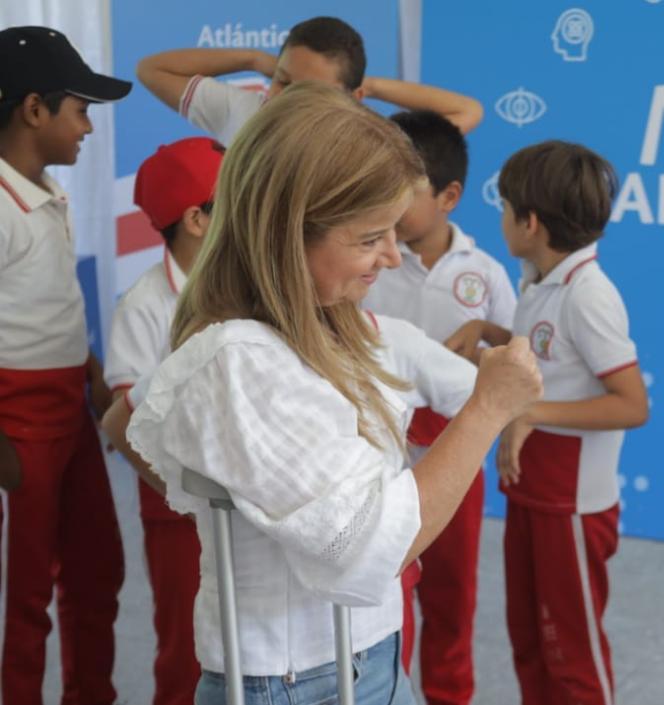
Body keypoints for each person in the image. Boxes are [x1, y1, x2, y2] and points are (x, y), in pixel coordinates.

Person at [121, 81, 540, 704]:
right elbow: (371, 548)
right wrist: (488, 410)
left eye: (393, 233)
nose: (392, 258)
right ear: (288, 234)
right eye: (371, 238)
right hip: (298, 679)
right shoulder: (239, 360)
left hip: (362, 654)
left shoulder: (333, 323)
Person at [361, 109, 515, 705]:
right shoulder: (366, 263)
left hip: (457, 459)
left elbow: (515, 354)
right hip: (380, 461)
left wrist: (492, 337)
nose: (392, 206)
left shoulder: (483, 273)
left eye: (408, 191)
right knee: (383, 597)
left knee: (452, 601)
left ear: (450, 196)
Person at [0, 25, 130, 705]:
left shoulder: (46, 193)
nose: (86, 127)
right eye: (79, 109)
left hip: (70, 411)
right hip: (16, 424)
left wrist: (94, 370)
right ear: (33, 110)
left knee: (95, 567)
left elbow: (43, 304)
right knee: (20, 600)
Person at [494, 141, 649, 705]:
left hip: (571, 507)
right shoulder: (537, 278)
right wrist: (489, 337)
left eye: (505, 209)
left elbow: (632, 404)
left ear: (530, 223)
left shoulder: (588, 295)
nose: (502, 220)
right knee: (530, 641)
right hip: (529, 493)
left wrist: (531, 413)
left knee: (572, 655)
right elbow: (550, 364)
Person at [104, 136, 225, 704]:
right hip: (178, 514)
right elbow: (125, 423)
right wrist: (178, 493)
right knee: (186, 648)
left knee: (245, 645)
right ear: (197, 219)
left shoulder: (244, 286)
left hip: (245, 507)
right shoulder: (145, 305)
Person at [136, 15, 483, 145]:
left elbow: (467, 111)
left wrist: (371, 87)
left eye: (310, 91)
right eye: (283, 81)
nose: (287, 98)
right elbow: (151, 70)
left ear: (352, 97)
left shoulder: (369, 142)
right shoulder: (242, 111)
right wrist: (252, 58)